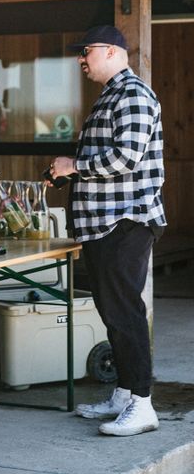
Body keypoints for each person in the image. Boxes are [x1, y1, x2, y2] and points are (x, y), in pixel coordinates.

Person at [49, 25, 166, 437]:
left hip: (126, 222)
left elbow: (127, 158)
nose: (82, 59)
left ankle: (143, 404)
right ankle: (124, 393)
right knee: (113, 313)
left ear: (113, 52)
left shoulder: (132, 93)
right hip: (105, 224)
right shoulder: (112, 94)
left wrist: (74, 166)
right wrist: (69, 172)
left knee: (125, 313)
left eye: (87, 51)